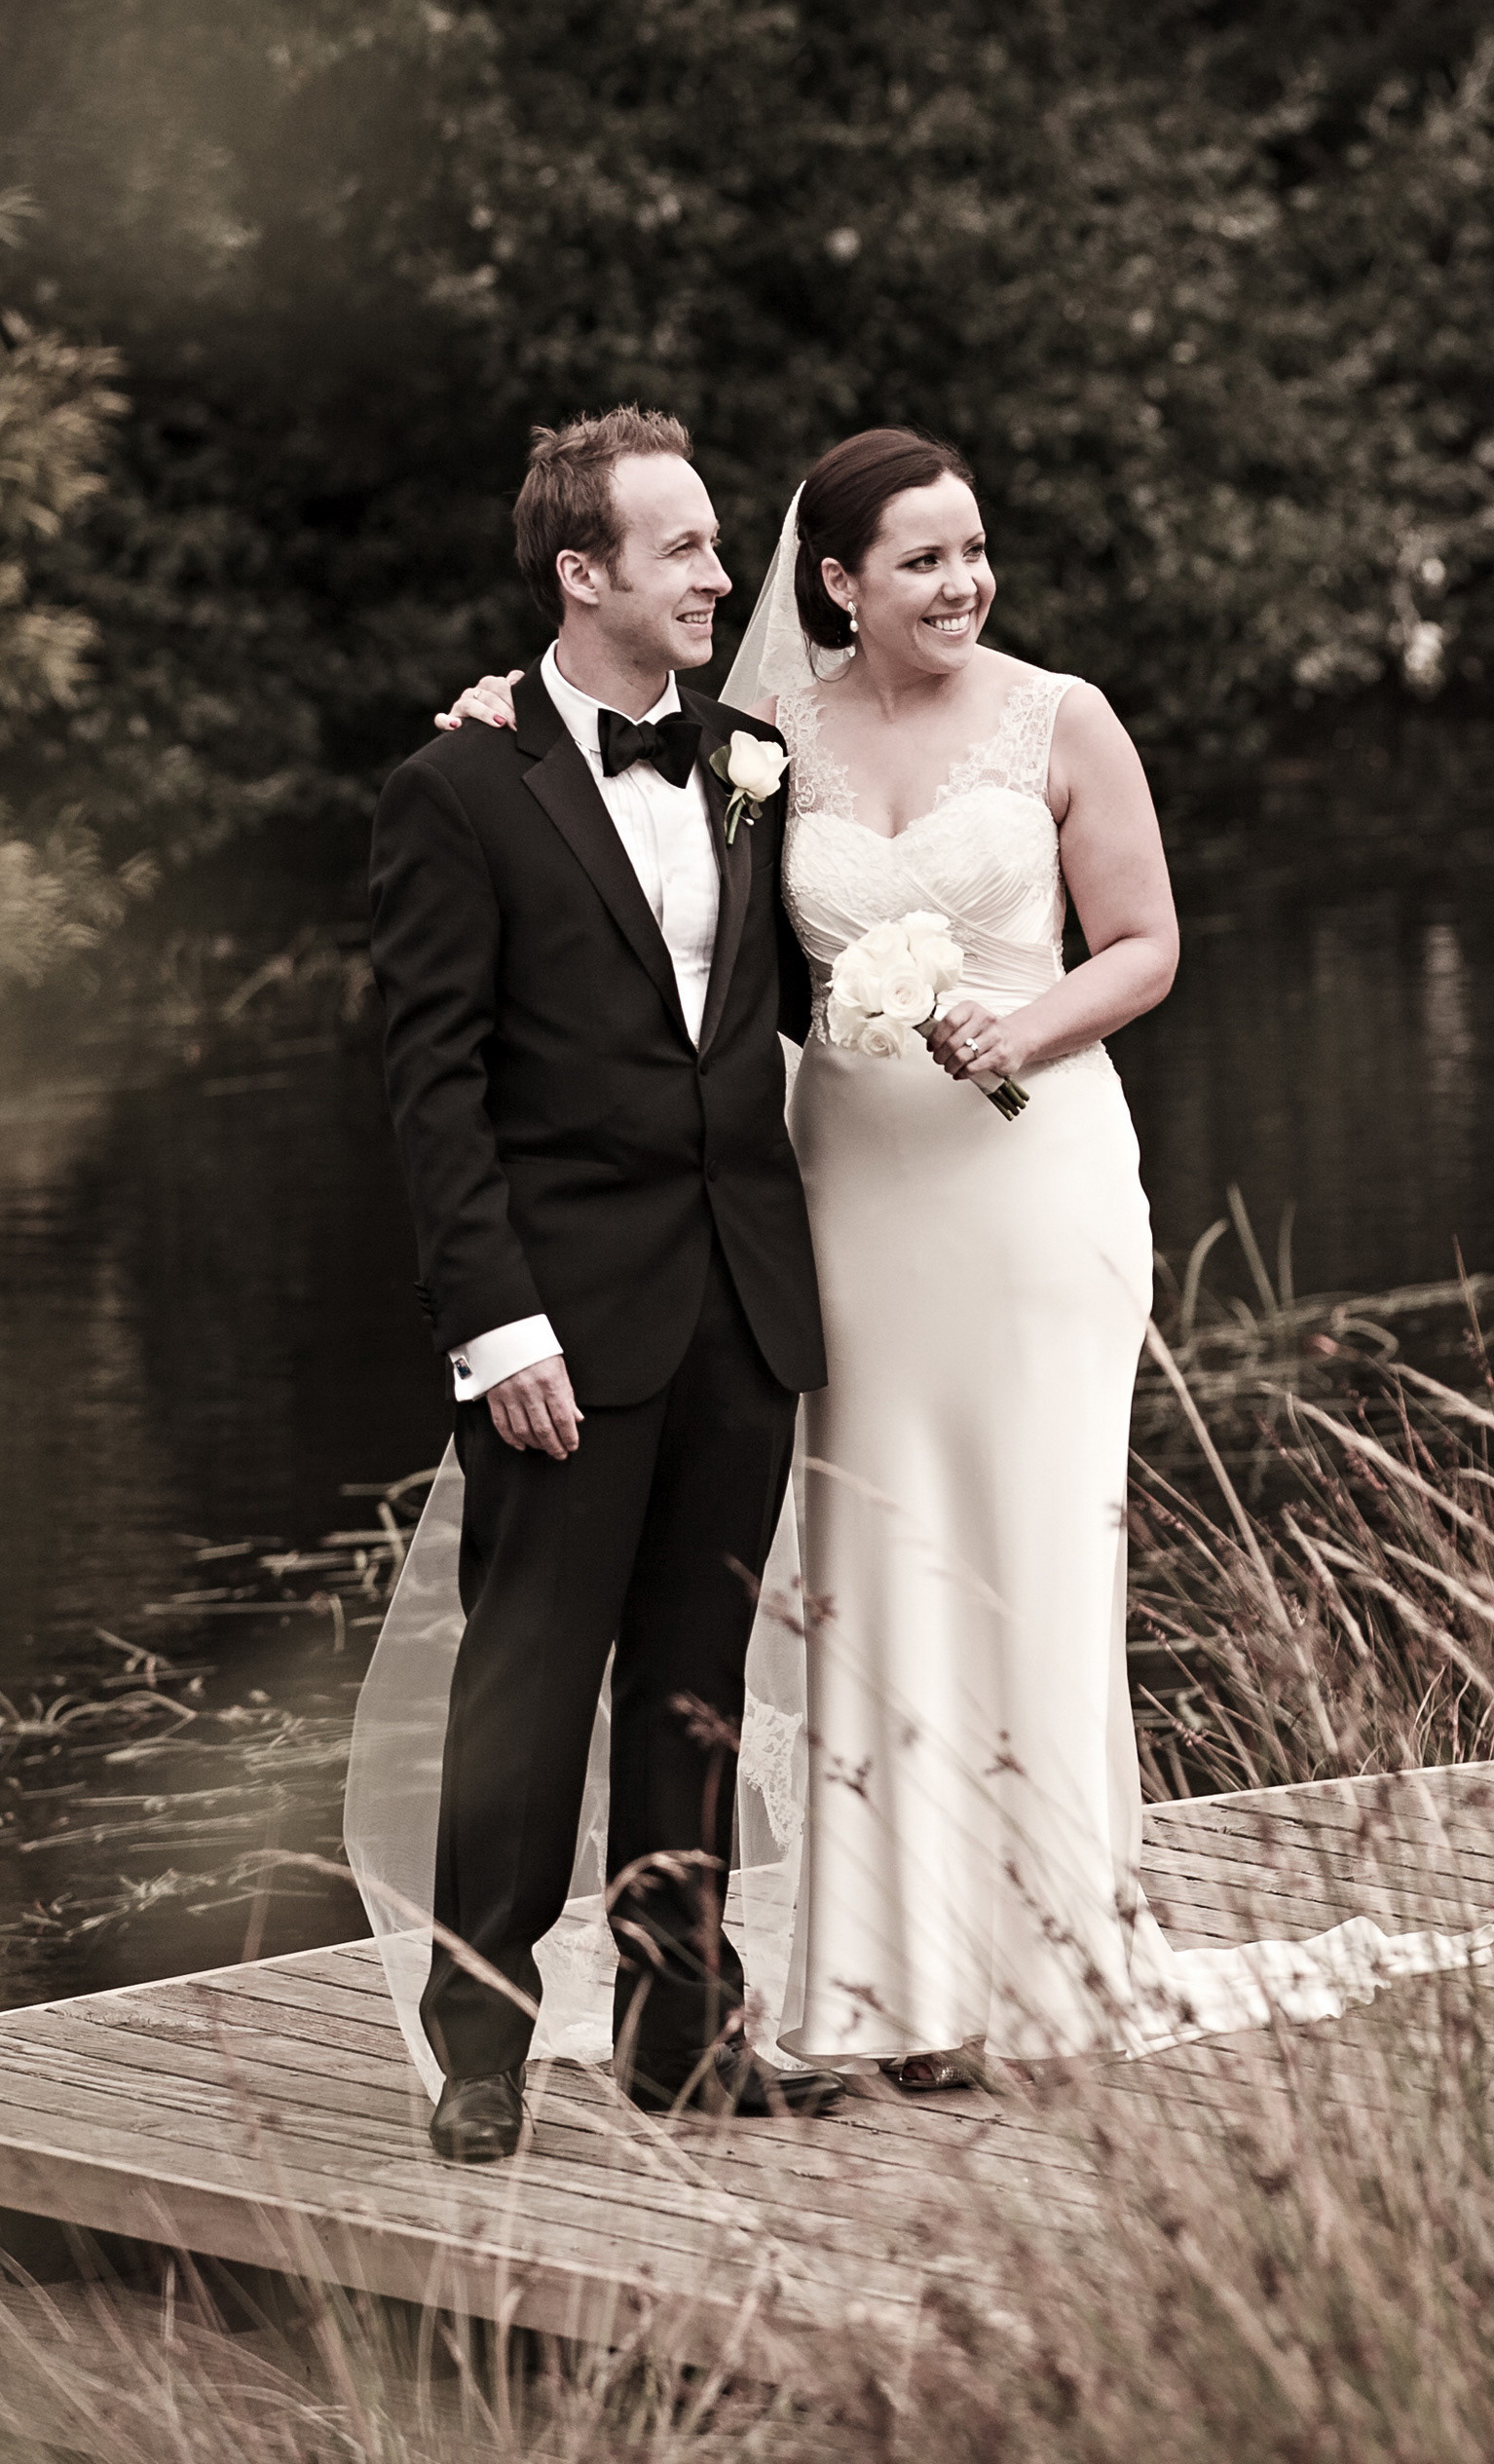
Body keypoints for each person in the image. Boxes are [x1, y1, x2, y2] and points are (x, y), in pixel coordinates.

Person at [411, 428, 1490, 2090]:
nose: (964, 580)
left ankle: (1033, 1965)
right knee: (870, 1569)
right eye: (922, 557)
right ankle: (884, 1985)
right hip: (842, 1215)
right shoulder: (757, 746)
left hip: (1029, 1189)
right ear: (838, 585)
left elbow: (1146, 941)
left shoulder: (1040, 719)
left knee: (1030, 1549)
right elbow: (596, 935)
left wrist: (1024, 1029)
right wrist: (508, 705)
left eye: (974, 549)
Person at [362, 407, 848, 2162]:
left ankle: (681, 2034)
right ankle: (479, 2046)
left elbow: (796, 995)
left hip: (741, 1297)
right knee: (527, 1684)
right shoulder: (458, 789)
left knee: (694, 1687)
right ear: (584, 574)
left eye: (718, 543)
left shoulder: (749, 758)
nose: (722, 573)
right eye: (685, 548)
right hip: (561, 1319)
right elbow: (433, 1088)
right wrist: (499, 1328)